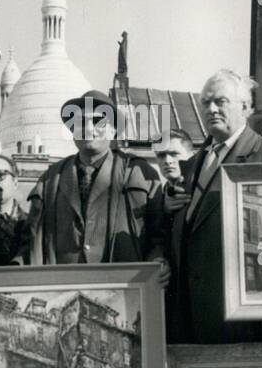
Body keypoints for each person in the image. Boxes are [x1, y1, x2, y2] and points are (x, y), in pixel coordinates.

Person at [164, 70, 262, 343]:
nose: (211, 109)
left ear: (246, 107)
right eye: (206, 102)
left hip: (244, 324)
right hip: (191, 318)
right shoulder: (191, 166)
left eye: (221, 101)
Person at [25, 90, 166, 269]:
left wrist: (158, 259)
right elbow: (31, 237)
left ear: (113, 129)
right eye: (80, 122)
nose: (89, 129)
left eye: (99, 121)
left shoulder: (139, 172)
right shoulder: (50, 179)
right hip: (64, 285)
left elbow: (159, 234)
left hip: (122, 285)